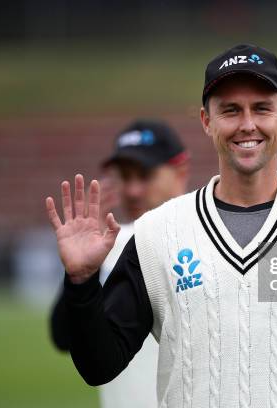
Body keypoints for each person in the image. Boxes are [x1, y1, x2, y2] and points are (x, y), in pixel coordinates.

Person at [45, 44, 277, 407]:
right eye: (230, 110)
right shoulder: (156, 234)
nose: (247, 124)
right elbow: (99, 366)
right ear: (206, 121)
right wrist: (82, 283)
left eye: (262, 108)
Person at [49, 119, 190, 408]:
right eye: (125, 177)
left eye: (145, 175)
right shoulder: (105, 246)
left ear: (180, 173)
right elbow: (63, 337)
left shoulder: (202, 238)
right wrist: (82, 275)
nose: (134, 190)